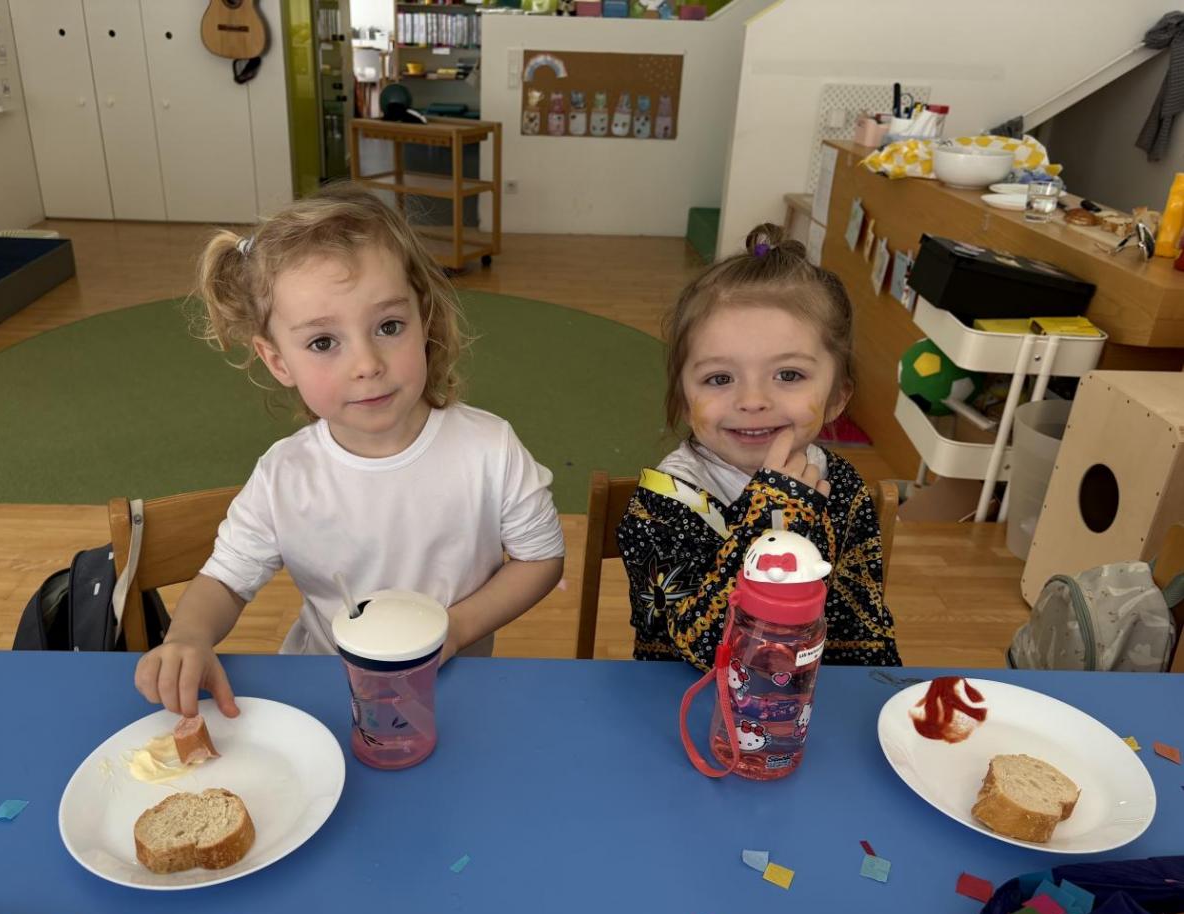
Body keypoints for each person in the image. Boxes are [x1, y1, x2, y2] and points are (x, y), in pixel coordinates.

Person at [135, 185, 565, 716]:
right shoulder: (284, 475)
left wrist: (454, 630)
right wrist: (188, 637)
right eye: (323, 342)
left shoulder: (489, 449)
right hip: (327, 689)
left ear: (424, 321)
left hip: (454, 689)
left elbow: (541, 559)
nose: (367, 364)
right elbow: (224, 581)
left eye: (389, 326)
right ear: (278, 361)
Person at [616, 222, 900, 669]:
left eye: (788, 375)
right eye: (719, 378)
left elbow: (863, 633)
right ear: (685, 402)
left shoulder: (841, 485)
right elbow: (703, 648)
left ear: (837, 397)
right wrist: (774, 512)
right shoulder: (663, 503)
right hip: (683, 697)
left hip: (809, 696)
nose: (752, 401)